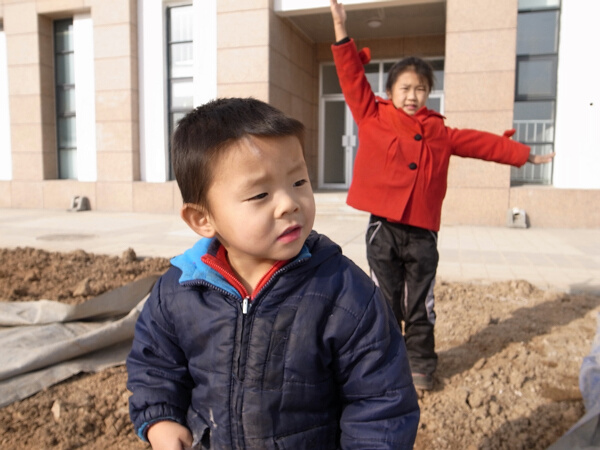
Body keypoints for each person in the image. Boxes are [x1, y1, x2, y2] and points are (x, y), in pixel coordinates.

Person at [126, 97, 420, 449]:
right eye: (261, 194)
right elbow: (154, 365)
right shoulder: (179, 291)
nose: (289, 203)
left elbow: (381, 403)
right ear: (203, 219)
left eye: (299, 182)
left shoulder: (345, 295)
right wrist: (160, 419)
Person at [329, 0, 555, 392]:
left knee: (420, 305)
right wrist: (340, 31)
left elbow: (484, 144)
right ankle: (381, 366)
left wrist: (526, 155)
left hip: (423, 235)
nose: (412, 95)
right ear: (390, 91)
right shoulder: (372, 114)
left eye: (421, 89)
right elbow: (350, 76)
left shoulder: (441, 132)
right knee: (385, 303)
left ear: (430, 92)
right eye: (405, 88)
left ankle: (420, 365)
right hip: (383, 228)